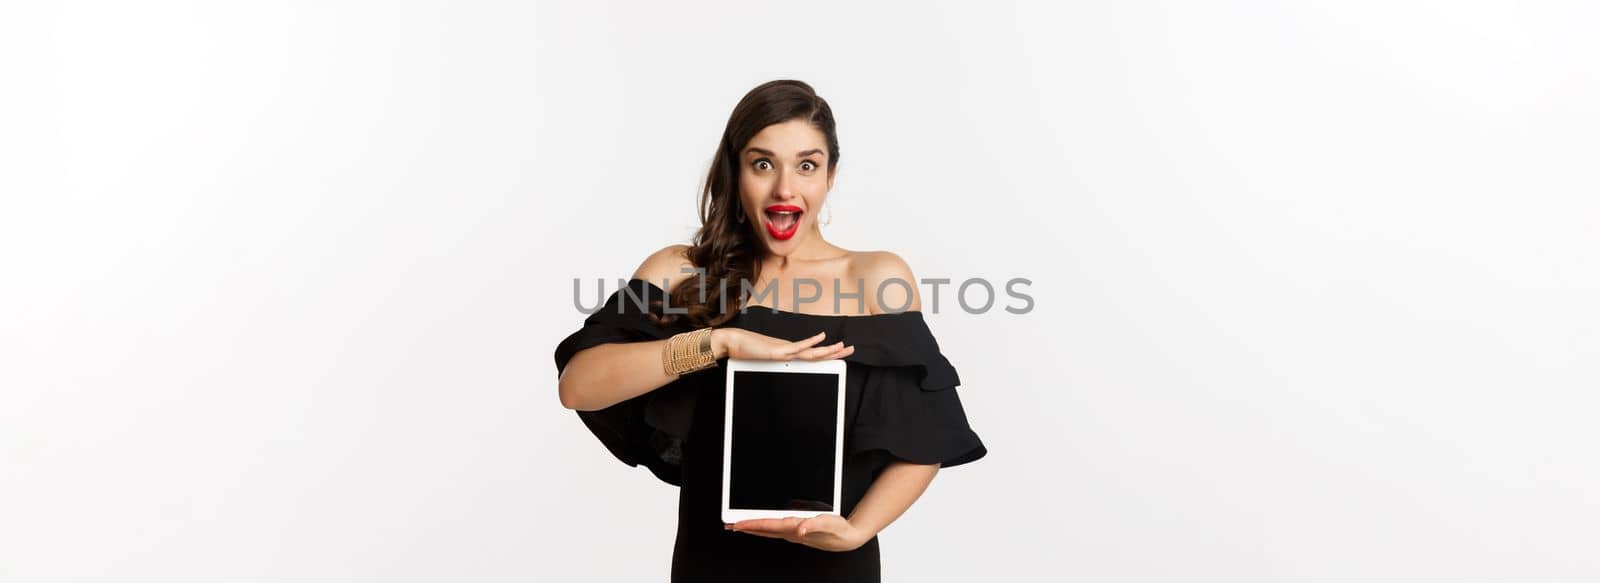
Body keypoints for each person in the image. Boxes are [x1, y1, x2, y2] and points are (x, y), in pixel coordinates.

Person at [553, 79, 985, 582]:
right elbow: (578, 385)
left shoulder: (876, 277)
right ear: (735, 173)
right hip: (711, 563)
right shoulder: (680, 271)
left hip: (833, 565)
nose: (785, 187)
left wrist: (855, 531)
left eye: (807, 165)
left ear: (830, 176)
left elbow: (925, 434)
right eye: (763, 164)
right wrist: (719, 342)